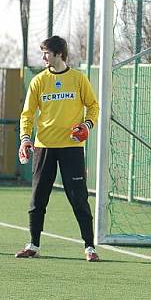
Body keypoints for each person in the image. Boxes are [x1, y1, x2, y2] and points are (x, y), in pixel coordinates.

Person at [15, 35, 101, 262]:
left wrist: (86, 125)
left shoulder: (78, 79)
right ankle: (33, 245)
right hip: (44, 148)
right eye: (42, 52)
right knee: (37, 199)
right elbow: (27, 114)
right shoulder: (38, 81)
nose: (43, 57)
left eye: (46, 53)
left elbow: (93, 106)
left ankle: (90, 247)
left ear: (59, 54)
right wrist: (25, 139)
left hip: (71, 148)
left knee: (78, 198)